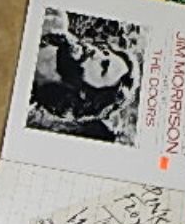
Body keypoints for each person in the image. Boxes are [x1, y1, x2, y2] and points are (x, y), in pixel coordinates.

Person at [28, 10, 139, 143]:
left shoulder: (24, 104)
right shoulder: (53, 17)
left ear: (85, 95)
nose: (96, 53)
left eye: (103, 67)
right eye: (105, 52)